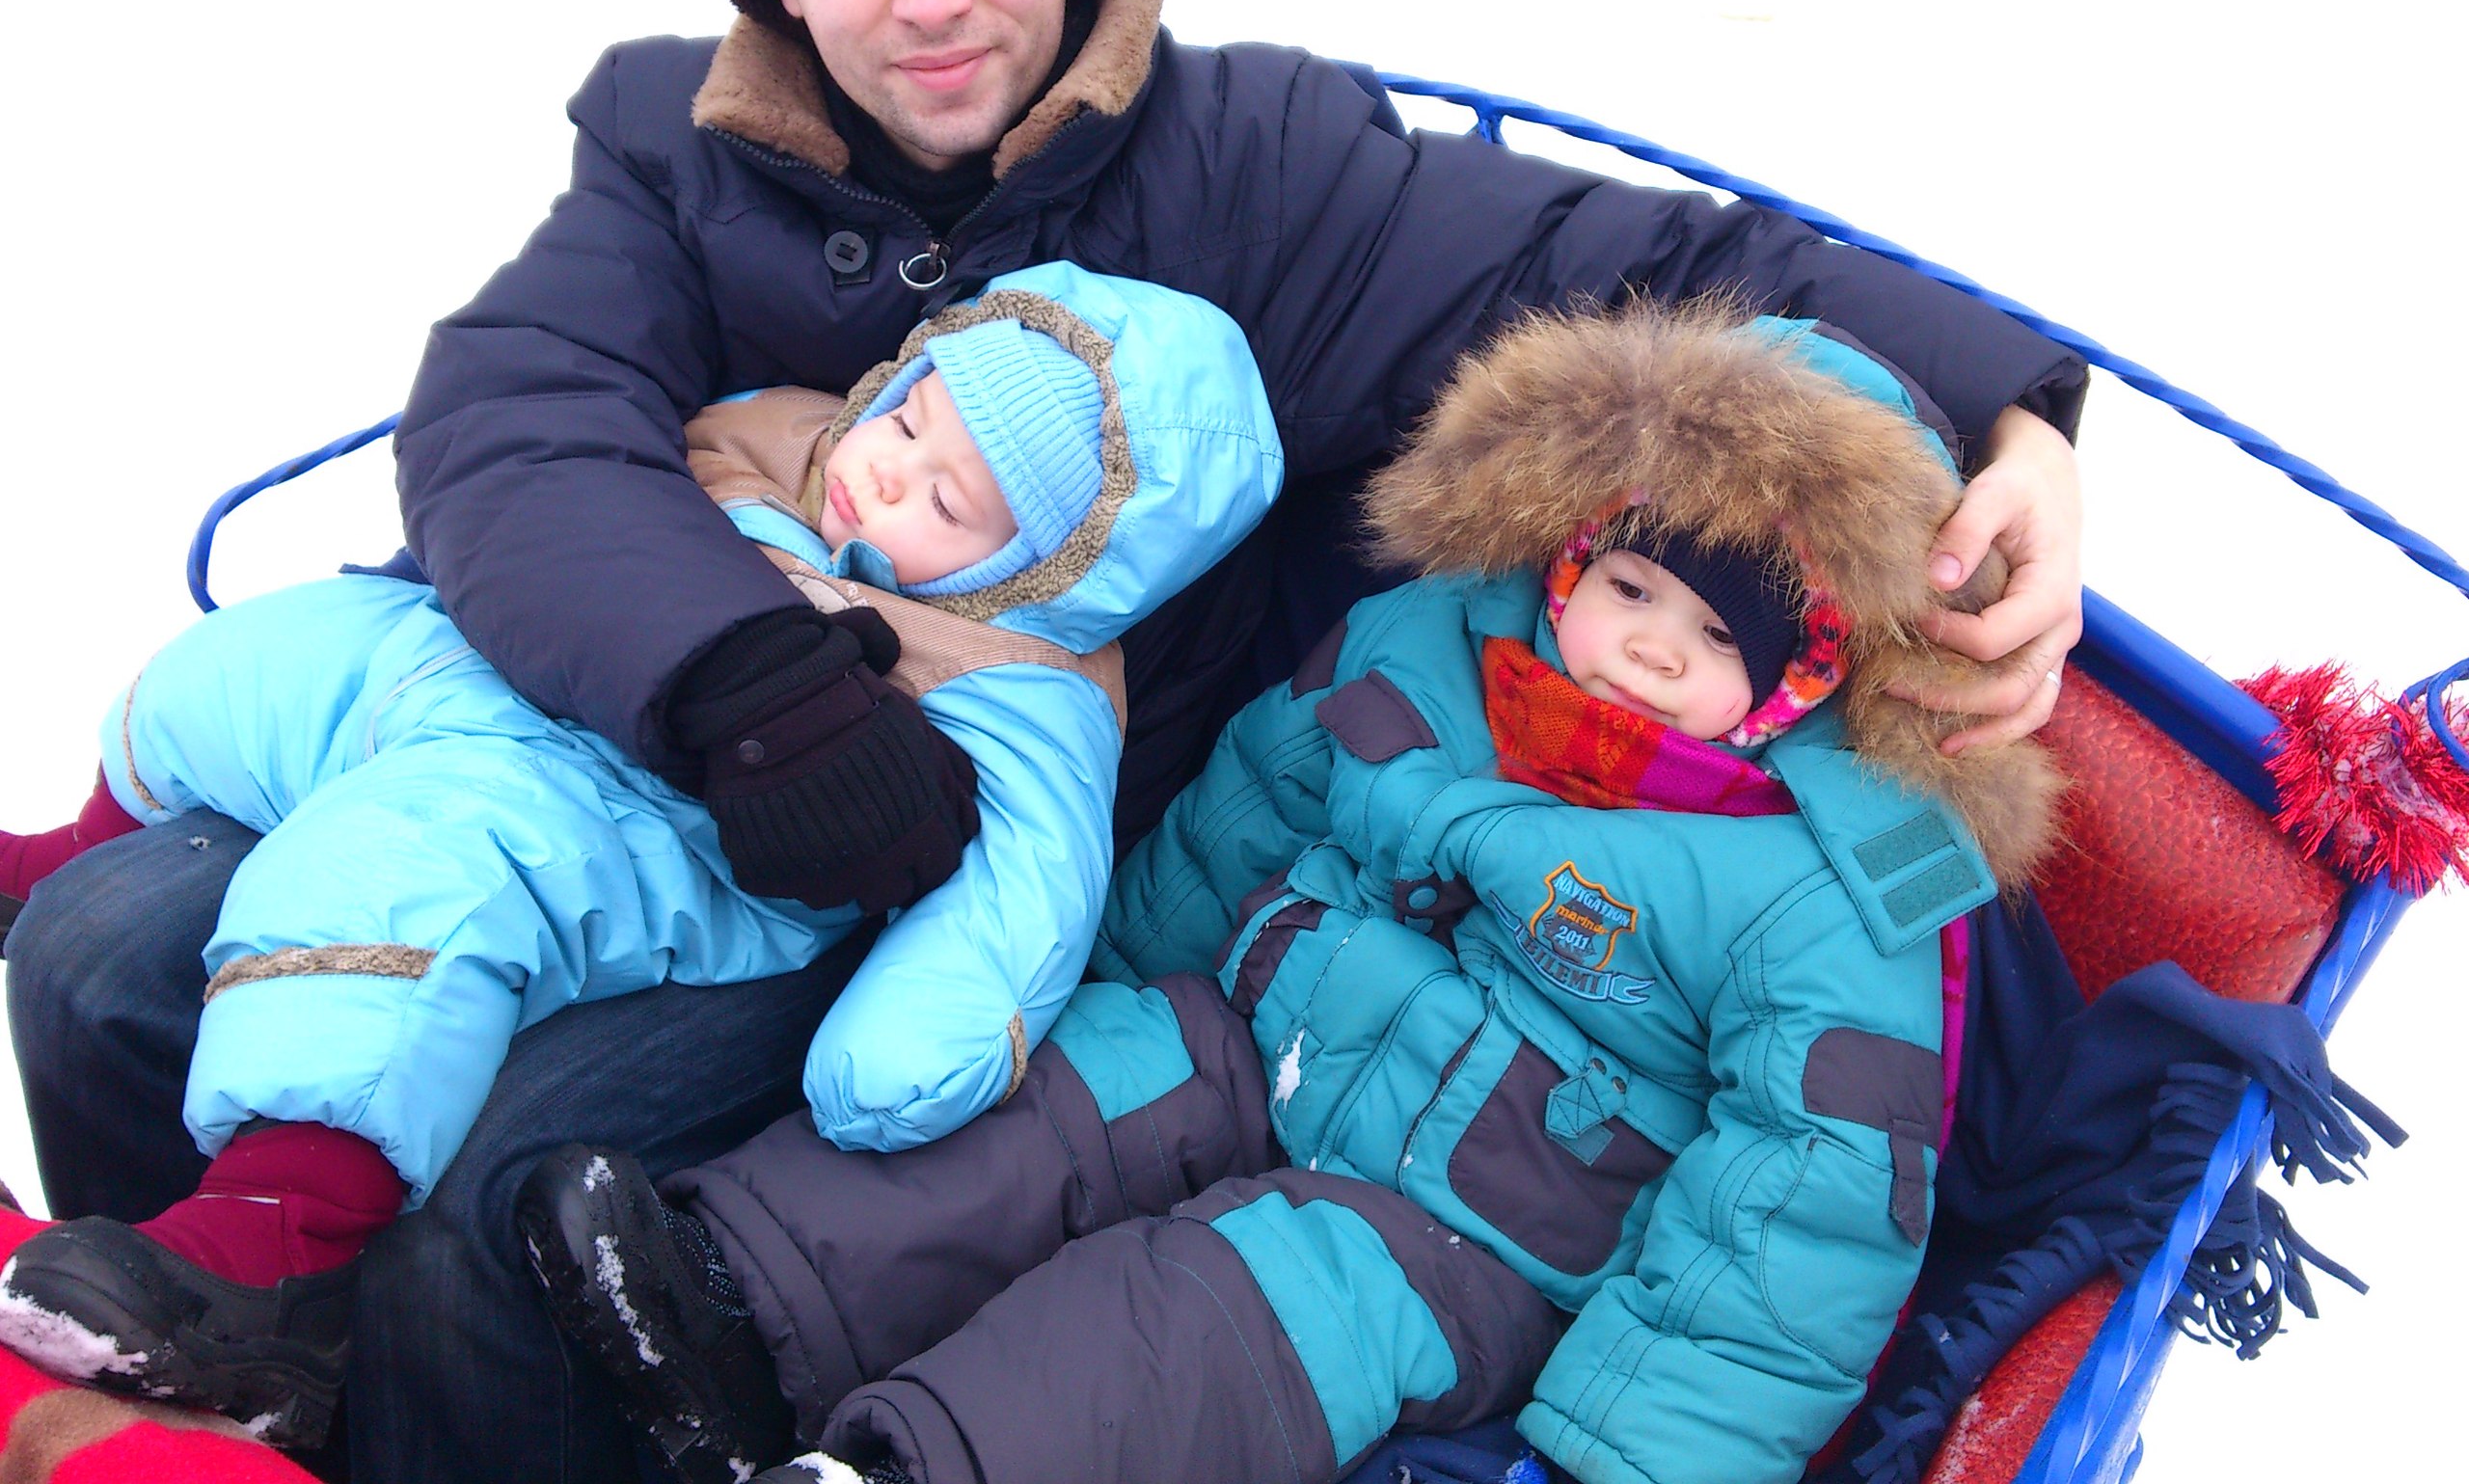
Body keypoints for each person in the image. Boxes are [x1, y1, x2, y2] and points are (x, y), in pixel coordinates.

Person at [3, 0, 2088, 1482]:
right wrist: (738, 677)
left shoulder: (1262, 171)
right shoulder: (672, 150)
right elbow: (521, 418)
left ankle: (415, 1402)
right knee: (101, 949)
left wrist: (2017, 422)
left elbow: (1689, 278)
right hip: (618, 742)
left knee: (493, 1200)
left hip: (938, 865)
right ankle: (220, 1353)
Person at [526, 298, 2063, 1484]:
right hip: (1267, 1036)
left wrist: (1631, 1460)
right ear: (1573, 555)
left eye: (1720, 639)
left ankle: (915, 1468)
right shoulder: (1433, 647)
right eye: (1632, 589)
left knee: (1216, 1312)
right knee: (1080, 1094)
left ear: (1809, 676)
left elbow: (1800, 1206)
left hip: (1473, 1232)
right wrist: (1109, 976)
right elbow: (1245, 814)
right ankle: (733, 1293)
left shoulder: (1826, 886)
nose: (1652, 649)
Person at [0, 265, 1283, 1447]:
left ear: (1055, 567)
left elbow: (1026, 891)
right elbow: (573, 451)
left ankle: (277, 1240)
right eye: (906, 421)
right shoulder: (779, 433)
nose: (888, 476)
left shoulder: (1024, 681)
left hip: (654, 829)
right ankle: (71, 853)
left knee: (409, 873)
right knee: (271, 660)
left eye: (949, 502)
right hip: (525, 674)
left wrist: (905, 1051)